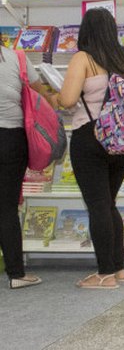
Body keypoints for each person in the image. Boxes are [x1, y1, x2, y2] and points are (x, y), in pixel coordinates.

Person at [52, 7, 124, 289]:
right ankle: (118, 269)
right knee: (109, 204)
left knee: (98, 206)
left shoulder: (83, 58)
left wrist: (55, 97)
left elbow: (69, 100)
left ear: (86, 31)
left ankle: (105, 274)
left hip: (91, 138)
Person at [0, 45, 51, 289]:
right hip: (11, 138)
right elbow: (38, 92)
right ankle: (17, 274)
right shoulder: (17, 57)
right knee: (7, 208)